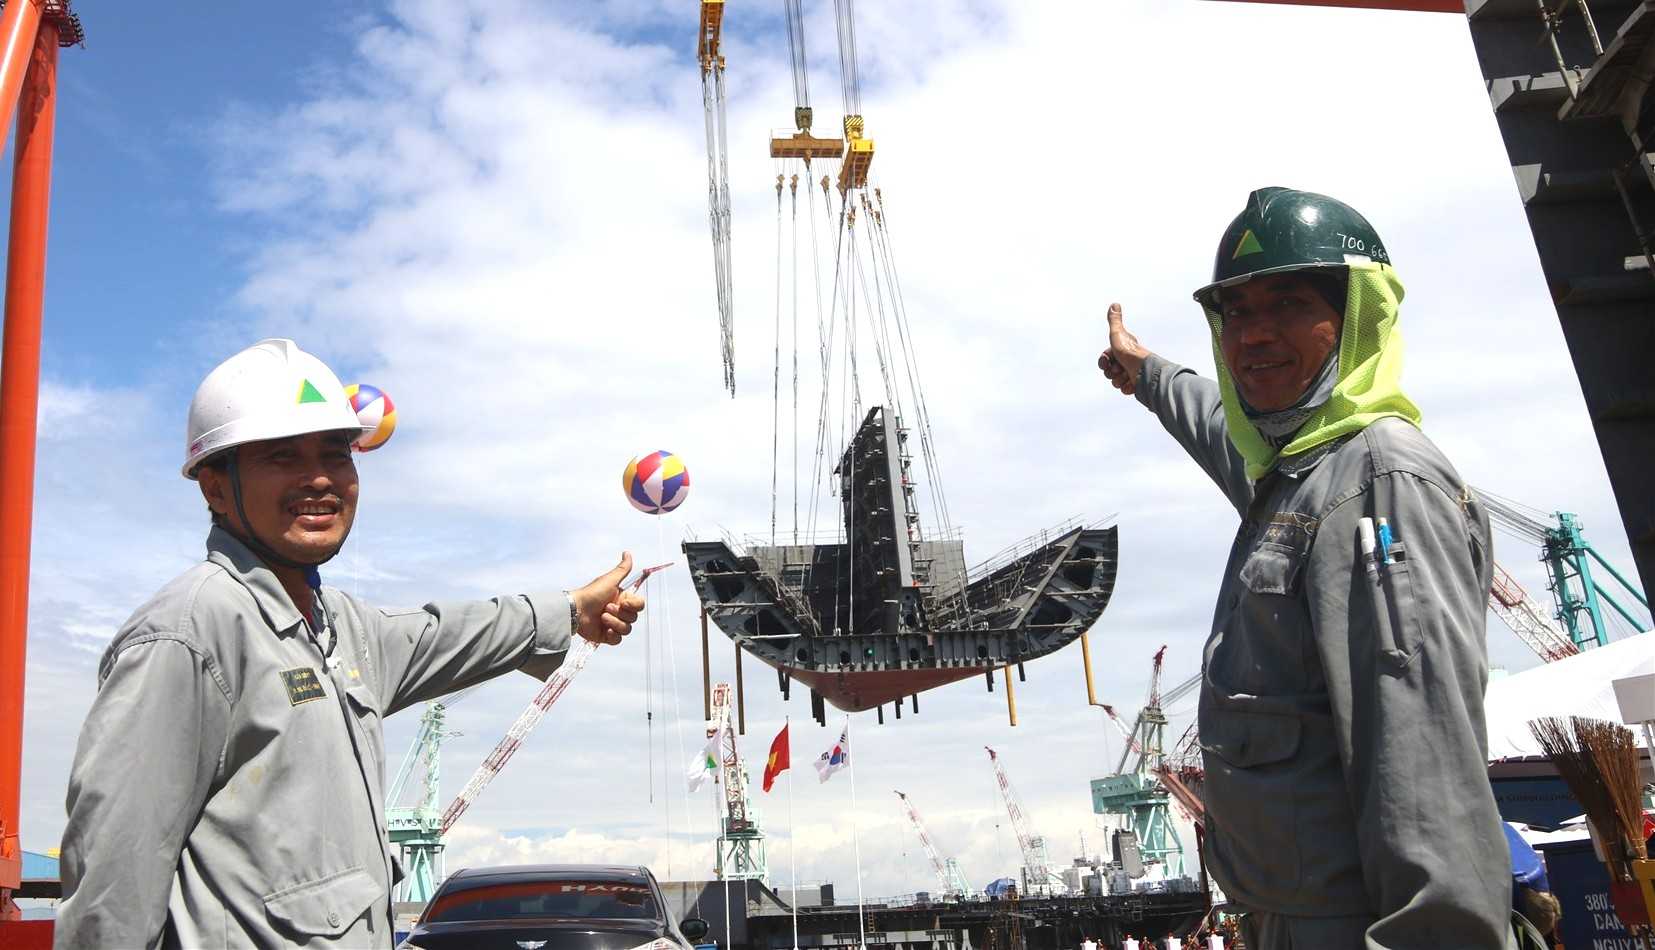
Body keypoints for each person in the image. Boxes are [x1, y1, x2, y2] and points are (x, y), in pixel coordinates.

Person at [54, 339, 646, 948]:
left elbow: (446, 635)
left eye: (336, 455)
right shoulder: (189, 634)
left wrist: (571, 611)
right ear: (214, 487)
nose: (319, 478)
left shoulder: (334, 624)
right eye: (282, 457)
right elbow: (110, 892)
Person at [1099, 188, 1512, 948]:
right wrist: (1146, 372)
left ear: (1357, 318)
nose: (1252, 335)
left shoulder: (1379, 483)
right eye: (1235, 312)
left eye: (1286, 305)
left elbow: (1423, 770)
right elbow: (1217, 426)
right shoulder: (1298, 474)